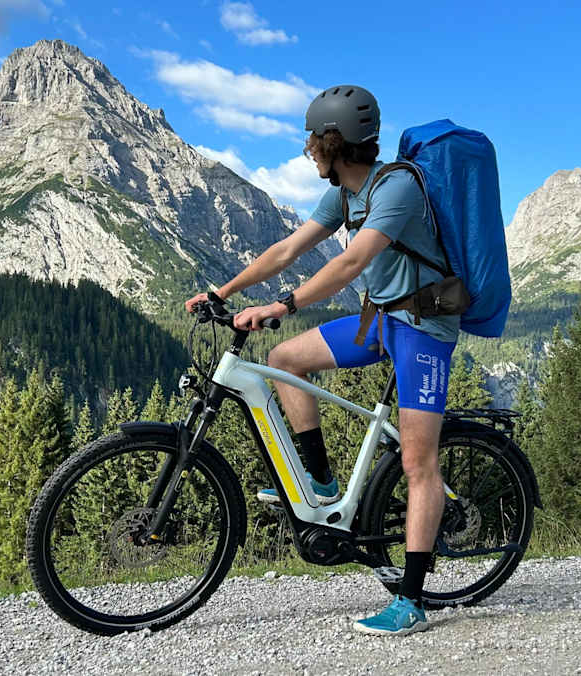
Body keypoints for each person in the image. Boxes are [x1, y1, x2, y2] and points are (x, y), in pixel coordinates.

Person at [184, 85, 457, 636]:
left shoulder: (397, 186)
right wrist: (226, 290)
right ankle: (324, 483)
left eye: (312, 139)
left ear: (333, 142)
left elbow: (352, 262)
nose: (308, 149)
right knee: (287, 358)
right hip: (381, 320)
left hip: (424, 327)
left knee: (417, 465)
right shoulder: (343, 193)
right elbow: (287, 250)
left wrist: (282, 303)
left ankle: (412, 602)